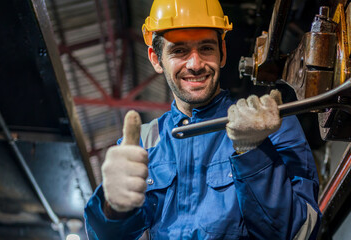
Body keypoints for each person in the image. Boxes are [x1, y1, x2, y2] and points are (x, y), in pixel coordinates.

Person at [83, 0, 321, 239]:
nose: (195, 64)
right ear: (156, 59)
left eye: (206, 48)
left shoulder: (271, 126)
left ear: (223, 53)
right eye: (179, 51)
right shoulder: (139, 146)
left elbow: (300, 232)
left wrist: (253, 151)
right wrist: (112, 208)